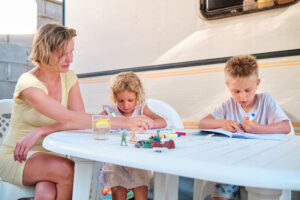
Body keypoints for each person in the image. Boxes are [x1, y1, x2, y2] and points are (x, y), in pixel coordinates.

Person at [0, 23, 152, 200]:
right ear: (45, 51)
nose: (70, 58)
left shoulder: (69, 77)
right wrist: (126, 122)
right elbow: (70, 118)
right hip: (18, 155)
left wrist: (43, 130)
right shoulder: (28, 84)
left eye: (71, 52)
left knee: (47, 193)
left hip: (52, 156)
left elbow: (78, 123)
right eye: (63, 53)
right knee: (68, 169)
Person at [198, 54, 291, 200]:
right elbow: (202, 123)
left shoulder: (266, 100)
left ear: (257, 83)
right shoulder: (228, 105)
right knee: (220, 195)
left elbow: (286, 127)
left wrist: (259, 129)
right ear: (228, 85)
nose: (243, 97)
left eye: (248, 90)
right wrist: (222, 122)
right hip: (232, 165)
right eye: (236, 91)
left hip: (262, 165)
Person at [99, 71, 167, 200]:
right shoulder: (110, 112)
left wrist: (150, 123)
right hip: (115, 160)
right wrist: (109, 123)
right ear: (114, 97)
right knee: (118, 191)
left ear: (138, 96)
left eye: (130, 100)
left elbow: (162, 122)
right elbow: (95, 122)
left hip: (137, 160)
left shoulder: (141, 109)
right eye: (121, 100)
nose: (126, 105)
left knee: (141, 189)